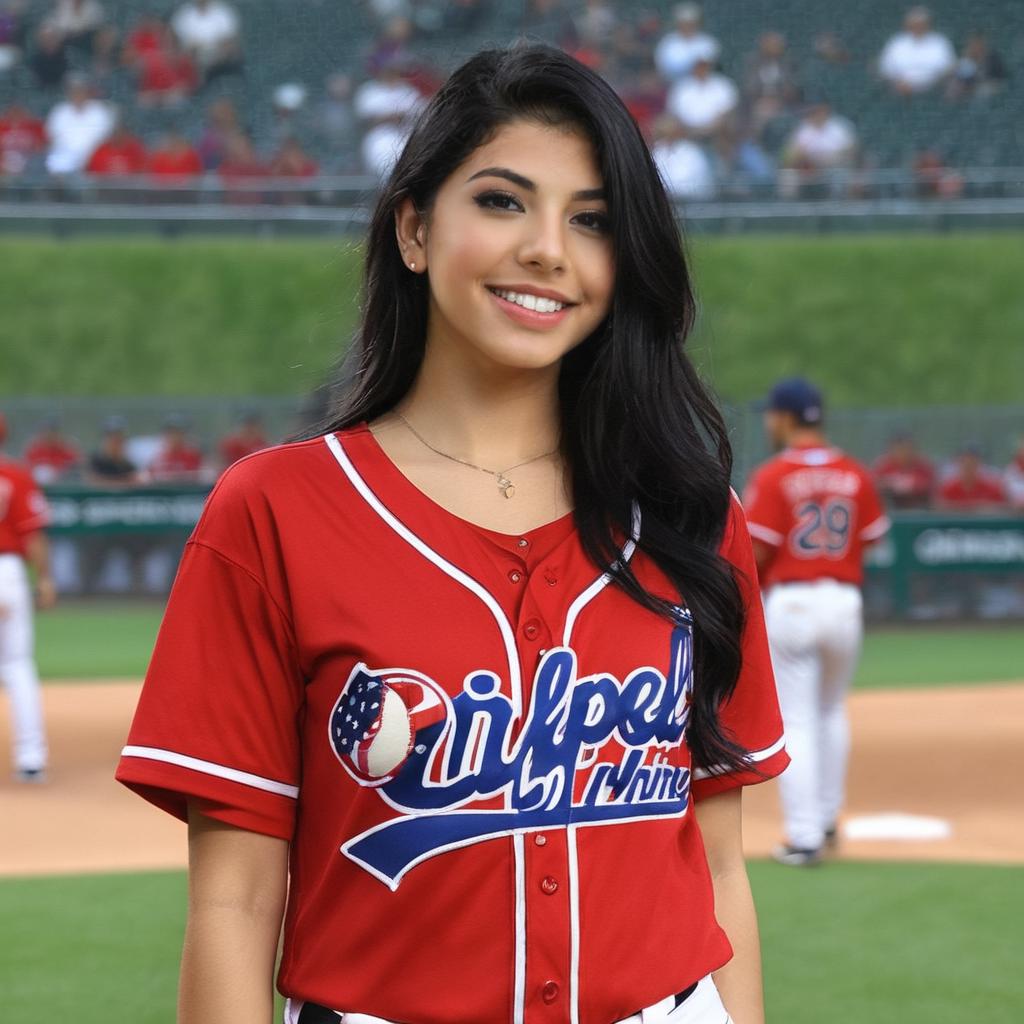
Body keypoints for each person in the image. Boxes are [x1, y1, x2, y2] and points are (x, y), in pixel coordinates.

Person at [116, 44, 789, 1024]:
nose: (548, 249)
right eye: (503, 201)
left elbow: (719, 866)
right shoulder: (276, 511)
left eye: (592, 219)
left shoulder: (689, 514)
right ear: (415, 228)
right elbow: (234, 898)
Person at [743, 378, 889, 867]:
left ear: (785, 417)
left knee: (800, 719)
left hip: (794, 601)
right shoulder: (855, 472)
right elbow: (870, 540)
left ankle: (804, 838)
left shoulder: (774, 474)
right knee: (831, 712)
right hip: (844, 601)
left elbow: (756, 549)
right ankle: (826, 822)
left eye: (772, 414)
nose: (769, 421)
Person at [0, 411, 56, 783]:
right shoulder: (15, 475)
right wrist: (46, 577)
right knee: (17, 665)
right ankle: (31, 758)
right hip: (7, 572)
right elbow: (33, 533)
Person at [44, 72, 115, 175]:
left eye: (81, 90)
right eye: (74, 90)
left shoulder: (100, 111)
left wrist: (86, 159)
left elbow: (106, 140)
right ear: (68, 92)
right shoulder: (59, 111)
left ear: (87, 91)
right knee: (55, 162)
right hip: (66, 159)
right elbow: (52, 138)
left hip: (94, 158)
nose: (77, 94)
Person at [878, 6, 955, 96]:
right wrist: (898, 82)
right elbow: (886, 68)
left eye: (921, 24)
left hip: (934, 90)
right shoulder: (897, 42)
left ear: (928, 24)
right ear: (907, 25)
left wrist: (927, 83)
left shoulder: (940, 42)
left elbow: (949, 68)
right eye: (914, 24)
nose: (918, 27)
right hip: (900, 90)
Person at [871, 432, 935, 509]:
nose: (904, 453)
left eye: (907, 448)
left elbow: (927, 487)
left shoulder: (923, 467)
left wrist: (902, 485)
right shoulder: (883, 466)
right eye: (899, 449)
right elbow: (875, 485)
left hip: (919, 510)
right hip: (891, 509)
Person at [936, 444, 1008, 511]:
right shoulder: (948, 488)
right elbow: (940, 509)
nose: (968, 464)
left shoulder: (992, 487)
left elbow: (1002, 509)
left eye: (972, 461)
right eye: (965, 461)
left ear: (978, 463)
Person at [24, 416, 82, 483]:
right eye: (45, 432)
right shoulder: (34, 448)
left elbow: (77, 469)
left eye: (52, 432)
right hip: (39, 485)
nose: (48, 435)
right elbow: (26, 468)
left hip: (62, 486)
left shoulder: (68, 448)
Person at [86, 415, 139, 486]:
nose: (116, 444)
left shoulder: (127, 465)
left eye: (118, 440)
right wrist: (126, 481)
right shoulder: (93, 461)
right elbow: (92, 481)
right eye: (112, 439)